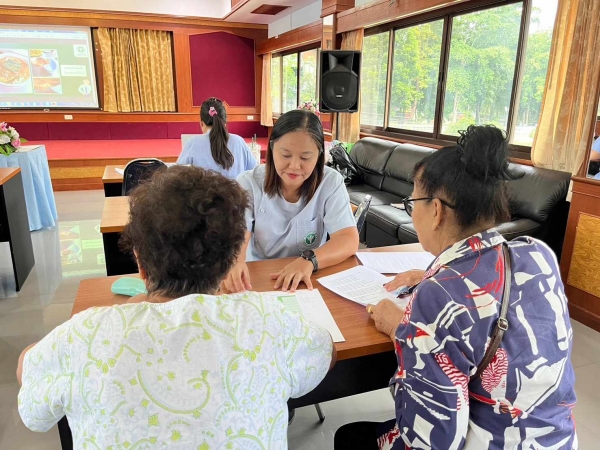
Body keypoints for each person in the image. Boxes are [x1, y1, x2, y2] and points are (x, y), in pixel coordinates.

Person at [17, 166, 335, 448]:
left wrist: (41, 349)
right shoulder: (266, 320)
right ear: (230, 262)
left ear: (140, 263)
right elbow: (326, 351)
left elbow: (33, 401)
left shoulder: (83, 335)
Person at [335, 125, 577, 449]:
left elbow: (431, 440)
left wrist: (400, 329)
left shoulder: (437, 297)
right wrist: (433, 276)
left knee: (349, 437)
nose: (413, 212)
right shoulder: (537, 254)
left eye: (413, 202)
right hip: (557, 440)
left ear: (436, 211)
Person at [223, 109, 359, 293]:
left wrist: (309, 260)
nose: (294, 166)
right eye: (285, 155)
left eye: (305, 157)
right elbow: (239, 235)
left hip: (308, 275)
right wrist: (236, 261)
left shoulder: (330, 182)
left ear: (319, 155)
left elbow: (348, 239)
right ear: (272, 148)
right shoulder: (249, 183)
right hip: (261, 274)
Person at [177, 97, 257, 178]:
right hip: (236, 186)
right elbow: (255, 172)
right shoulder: (239, 141)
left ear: (201, 123)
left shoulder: (193, 143)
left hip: (203, 187)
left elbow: (177, 175)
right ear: (225, 123)